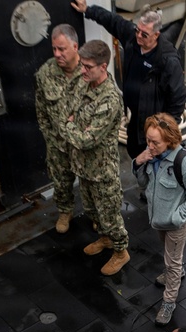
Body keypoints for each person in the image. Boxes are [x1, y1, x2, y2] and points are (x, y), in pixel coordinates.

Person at [71, 0, 186, 159]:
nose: (138, 36)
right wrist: (88, 10)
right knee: (135, 152)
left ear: (156, 35)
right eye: (138, 30)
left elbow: (177, 100)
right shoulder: (133, 39)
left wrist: (164, 134)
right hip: (135, 117)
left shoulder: (168, 61)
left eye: (144, 34)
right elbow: (113, 21)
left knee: (153, 160)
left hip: (154, 123)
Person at [66, 40, 131, 276]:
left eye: (88, 66)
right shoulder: (87, 84)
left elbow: (87, 139)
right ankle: (105, 238)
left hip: (102, 170)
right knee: (92, 210)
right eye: (82, 65)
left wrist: (68, 126)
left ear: (103, 67)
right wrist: (74, 124)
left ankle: (121, 251)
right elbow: (71, 108)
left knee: (110, 214)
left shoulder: (110, 99)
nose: (82, 70)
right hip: (84, 167)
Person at [134, 113, 186, 326]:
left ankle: (169, 301)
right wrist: (139, 162)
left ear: (170, 140)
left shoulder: (184, 163)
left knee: (171, 262)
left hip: (175, 223)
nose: (150, 146)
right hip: (158, 219)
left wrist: (176, 217)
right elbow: (143, 183)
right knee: (169, 255)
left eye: (155, 142)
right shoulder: (151, 156)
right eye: (148, 140)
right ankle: (177, 271)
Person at [36, 24, 82, 235]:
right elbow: (41, 109)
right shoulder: (46, 73)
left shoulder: (89, 70)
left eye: (62, 49)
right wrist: (50, 137)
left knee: (92, 185)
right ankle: (65, 212)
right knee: (61, 181)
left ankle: (97, 217)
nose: (57, 54)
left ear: (75, 46)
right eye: (54, 49)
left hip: (84, 143)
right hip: (58, 143)